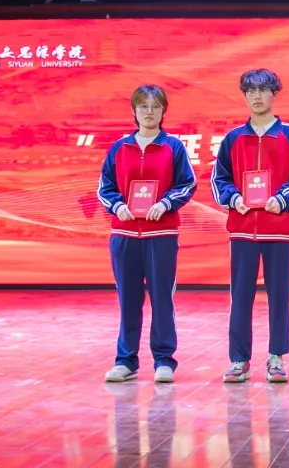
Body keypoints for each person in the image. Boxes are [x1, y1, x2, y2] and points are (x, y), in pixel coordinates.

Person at [211, 68, 289, 383]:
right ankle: (239, 360)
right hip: (243, 230)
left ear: (274, 94)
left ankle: (276, 358)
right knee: (240, 297)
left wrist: (282, 199)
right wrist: (233, 199)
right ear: (244, 96)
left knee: (279, 296)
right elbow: (219, 179)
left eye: (263, 90)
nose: (256, 96)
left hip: (278, 230)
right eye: (250, 91)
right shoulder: (233, 138)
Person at [98, 84, 197, 383]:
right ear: (134, 111)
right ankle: (125, 361)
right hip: (124, 236)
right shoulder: (119, 148)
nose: (149, 112)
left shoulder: (174, 147)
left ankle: (164, 360)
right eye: (143, 106)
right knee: (128, 300)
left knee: (162, 299)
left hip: (161, 235)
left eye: (155, 106)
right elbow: (105, 187)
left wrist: (165, 203)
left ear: (163, 111)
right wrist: (117, 206)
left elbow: (187, 184)